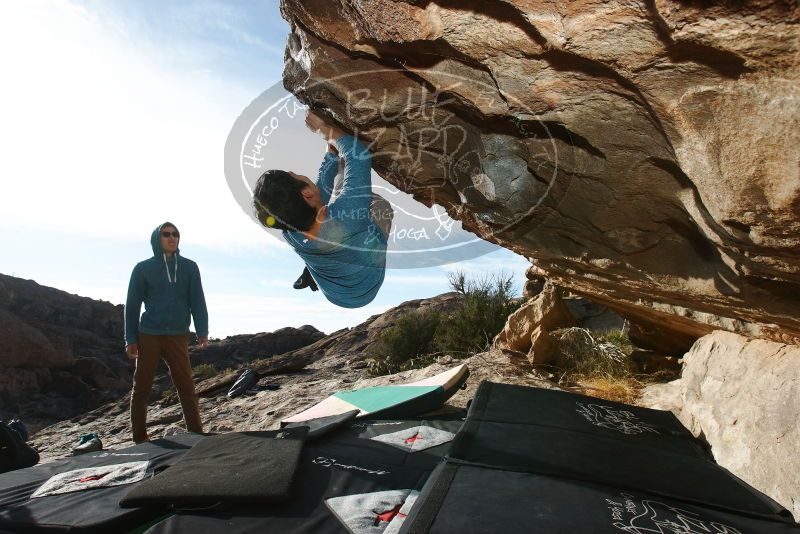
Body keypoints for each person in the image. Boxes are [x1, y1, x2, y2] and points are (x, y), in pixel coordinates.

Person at [253, 111, 393, 308]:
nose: (299, 174)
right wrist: (327, 132)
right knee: (379, 206)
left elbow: (316, 196)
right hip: (367, 286)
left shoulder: (288, 231)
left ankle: (318, 263)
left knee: (326, 217)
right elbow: (359, 154)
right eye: (297, 175)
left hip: (335, 294)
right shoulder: (349, 218)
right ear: (306, 192)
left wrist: (331, 155)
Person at [124, 222, 209, 443]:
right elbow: (132, 305)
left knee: (186, 385)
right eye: (166, 234)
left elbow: (197, 300)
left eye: (175, 234)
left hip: (178, 334)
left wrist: (202, 329)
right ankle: (139, 439)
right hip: (149, 334)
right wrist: (130, 338)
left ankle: (196, 433)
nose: (172, 238)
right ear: (156, 238)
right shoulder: (142, 268)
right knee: (141, 387)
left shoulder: (190, 267)